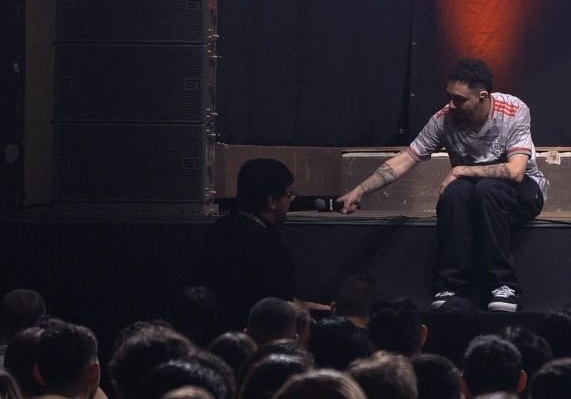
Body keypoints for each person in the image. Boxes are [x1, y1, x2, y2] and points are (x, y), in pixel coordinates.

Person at [339, 58, 548, 312]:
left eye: (459, 99)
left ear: (482, 97)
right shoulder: (444, 119)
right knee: (455, 192)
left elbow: (515, 171)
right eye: (449, 97)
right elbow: (406, 158)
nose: (451, 104)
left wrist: (461, 170)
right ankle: (452, 286)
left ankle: (503, 285)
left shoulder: (513, 111)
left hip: (523, 191)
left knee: (486, 190)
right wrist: (361, 189)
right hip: (473, 193)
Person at [198, 158, 327, 332]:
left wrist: (304, 305)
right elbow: (278, 311)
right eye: (288, 194)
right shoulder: (271, 251)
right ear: (272, 201)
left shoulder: (219, 230)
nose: (291, 200)